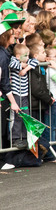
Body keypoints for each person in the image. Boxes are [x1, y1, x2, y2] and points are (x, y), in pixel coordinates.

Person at [8, 44, 39, 148]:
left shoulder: (27, 61)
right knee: (18, 116)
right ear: (18, 56)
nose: (27, 58)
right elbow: (12, 65)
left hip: (24, 94)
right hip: (16, 94)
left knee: (26, 115)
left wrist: (26, 69)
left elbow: (35, 61)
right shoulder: (13, 60)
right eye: (25, 56)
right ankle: (15, 138)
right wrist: (21, 65)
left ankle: (25, 137)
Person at [0, 22, 21, 150]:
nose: (15, 37)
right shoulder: (2, 56)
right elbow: (4, 81)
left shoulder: (5, 53)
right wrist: (13, 102)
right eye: (12, 35)